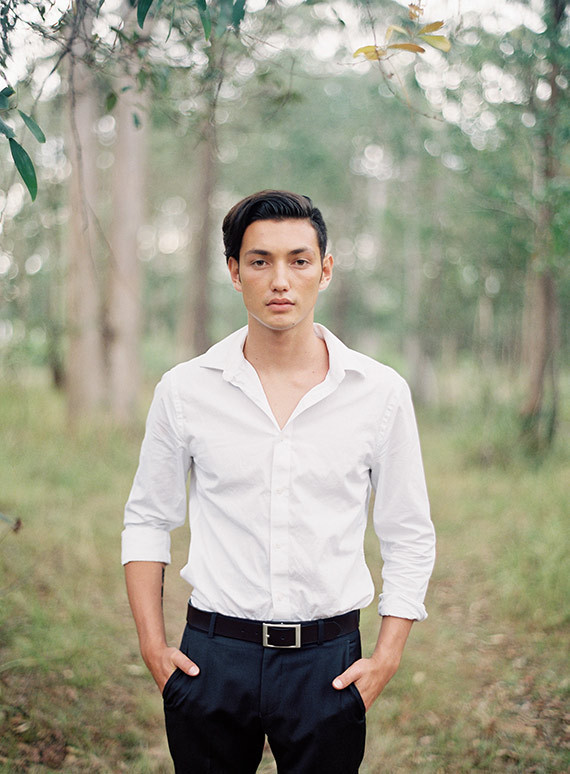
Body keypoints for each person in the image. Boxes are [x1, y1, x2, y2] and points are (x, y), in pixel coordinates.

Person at [122, 190, 435, 774]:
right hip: (213, 657)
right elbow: (146, 519)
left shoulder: (380, 394)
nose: (281, 280)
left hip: (328, 664)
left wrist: (387, 657)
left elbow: (408, 532)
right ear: (234, 272)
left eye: (299, 260)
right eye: (260, 261)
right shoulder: (185, 390)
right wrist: (152, 647)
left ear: (325, 269)